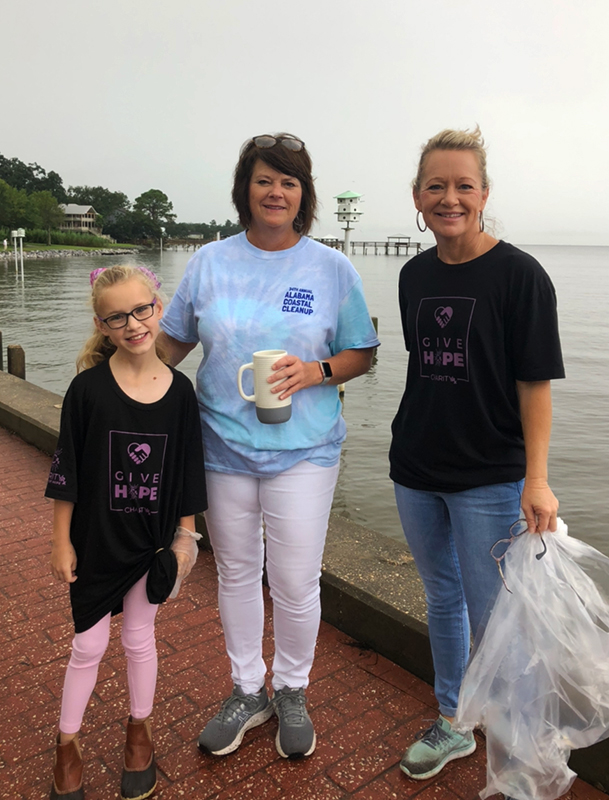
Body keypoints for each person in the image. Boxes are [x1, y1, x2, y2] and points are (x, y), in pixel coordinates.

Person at [159, 133, 380, 759]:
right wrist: (121, 358)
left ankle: (291, 688)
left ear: (303, 193)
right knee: (233, 572)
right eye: (264, 180)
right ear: (244, 190)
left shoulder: (332, 267)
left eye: (288, 181)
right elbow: (173, 343)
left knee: (294, 579)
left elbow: (361, 352)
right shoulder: (209, 262)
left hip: (305, 450)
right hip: (221, 444)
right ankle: (246, 688)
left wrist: (316, 372)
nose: (275, 192)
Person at [389, 127, 565, 784]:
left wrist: (536, 480)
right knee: (442, 599)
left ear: (483, 193)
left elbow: (533, 384)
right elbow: (428, 371)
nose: (449, 197)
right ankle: (454, 722)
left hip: (490, 477)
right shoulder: (413, 275)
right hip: (414, 469)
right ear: (417, 196)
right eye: (435, 185)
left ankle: (520, 759)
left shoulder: (520, 276)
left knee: (499, 618)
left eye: (463, 184)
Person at [45, 265, 207, 800]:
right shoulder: (87, 390)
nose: (134, 324)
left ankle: (140, 732)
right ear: (103, 324)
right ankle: (67, 745)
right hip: (97, 541)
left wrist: (186, 537)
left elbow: (186, 469)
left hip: (150, 543)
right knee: (87, 644)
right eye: (119, 317)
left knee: (140, 638)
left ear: (159, 308)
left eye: (143, 310)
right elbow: (67, 467)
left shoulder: (182, 392)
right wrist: (60, 539)